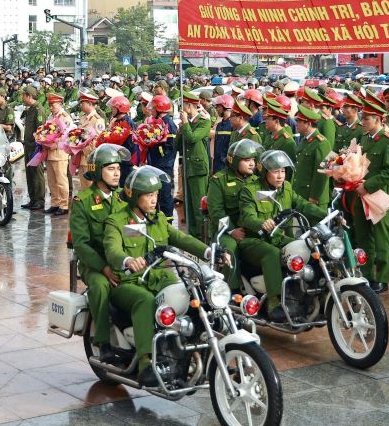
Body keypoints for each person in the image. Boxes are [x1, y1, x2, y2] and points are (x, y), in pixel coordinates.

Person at [103, 166, 211, 386]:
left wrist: (208, 251)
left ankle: (183, 344)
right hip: (127, 281)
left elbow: (180, 238)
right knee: (145, 301)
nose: (153, 200)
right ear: (134, 195)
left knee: (182, 289)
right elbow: (112, 249)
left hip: (156, 276)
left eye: (155, 195)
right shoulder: (117, 221)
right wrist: (127, 260)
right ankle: (145, 362)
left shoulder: (158, 218)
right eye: (148, 195)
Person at [238, 150, 327, 322]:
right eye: (275, 171)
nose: (280, 176)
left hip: (277, 238)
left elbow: (302, 205)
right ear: (264, 171)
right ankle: (274, 303)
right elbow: (247, 216)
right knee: (271, 253)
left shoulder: (285, 188)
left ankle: (313, 294)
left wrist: (327, 215)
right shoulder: (250, 190)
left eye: (283, 171)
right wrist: (260, 223)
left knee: (306, 246)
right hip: (254, 240)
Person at [69, 144, 130, 363]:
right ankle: (103, 342)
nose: (117, 173)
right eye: (111, 169)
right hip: (94, 264)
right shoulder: (83, 202)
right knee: (102, 286)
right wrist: (104, 268)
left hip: (121, 260)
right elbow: (82, 245)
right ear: (96, 172)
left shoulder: (123, 200)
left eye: (118, 169)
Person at [352, 98, 389, 293]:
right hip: (360, 194)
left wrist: (368, 186)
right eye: (363, 118)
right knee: (364, 237)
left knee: (381, 238)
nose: (363, 121)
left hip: (379, 195)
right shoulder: (365, 138)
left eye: (367, 118)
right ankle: (366, 274)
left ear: (378, 119)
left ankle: (381, 277)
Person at [207, 139, 264, 291]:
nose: (252, 163)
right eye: (246, 160)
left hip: (250, 227)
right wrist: (232, 230)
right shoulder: (218, 180)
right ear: (234, 160)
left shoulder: (255, 180)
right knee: (230, 248)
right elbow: (216, 211)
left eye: (253, 159)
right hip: (225, 230)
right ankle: (232, 291)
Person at [177, 91, 211, 238]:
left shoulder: (204, 121)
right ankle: (192, 234)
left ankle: (203, 236)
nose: (180, 109)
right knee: (189, 205)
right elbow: (178, 145)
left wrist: (185, 123)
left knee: (198, 205)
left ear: (189, 106)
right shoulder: (188, 123)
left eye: (182, 105)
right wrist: (181, 127)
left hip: (198, 168)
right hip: (188, 167)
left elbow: (192, 138)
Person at [292, 104, 330, 209]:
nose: (296, 125)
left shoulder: (322, 143)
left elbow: (323, 173)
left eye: (299, 122)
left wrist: (314, 197)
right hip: (302, 193)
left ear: (307, 123)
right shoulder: (305, 140)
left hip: (314, 198)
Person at [147, 94, 178, 221]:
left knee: (165, 197)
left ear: (160, 109)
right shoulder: (160, 122)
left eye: (153, 108)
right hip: (157, 165)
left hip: (164, 165)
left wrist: (156, 144)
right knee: (158, 196)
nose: (151, 111)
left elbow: (169, 148)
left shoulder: (168, 124)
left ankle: (167, 223)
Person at [45, 93, 73, 216]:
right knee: (51, 180)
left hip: (60, 152)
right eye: (50, 105)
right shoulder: (51, 116)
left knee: (61, 180)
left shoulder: (65, 117)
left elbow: (68, 135)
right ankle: (55, 203)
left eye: (53, 105)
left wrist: (56, 143)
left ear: (60, 104)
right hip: (49, 152)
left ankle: (64, 204)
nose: (51, 107)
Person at [21, 86, 46, 211]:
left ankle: (40, 200)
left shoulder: (38, 109)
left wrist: (38, 146)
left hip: (35, 146)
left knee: (37, 173)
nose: (22, 98)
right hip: (28, 145)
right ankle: (33, 199)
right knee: (30, 173)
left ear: (28, 96)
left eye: (23, 95)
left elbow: (40, 129)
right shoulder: (30, 109)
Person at [77, 90, 106, 189]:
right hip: (81, 157)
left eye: (82, 103)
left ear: (90, 103)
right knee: (83, 185)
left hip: (91, 157)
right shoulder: (83, 118)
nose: (80, 105)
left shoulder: (98, 120)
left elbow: (99, 140)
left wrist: (85, 149)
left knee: (91, 186)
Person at [210, 94, 234, 174]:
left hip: (226, 166)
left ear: (225, 107)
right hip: (217, 164)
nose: (216, 109)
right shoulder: (219, 125)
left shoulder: (232, 125)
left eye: (218, 107)